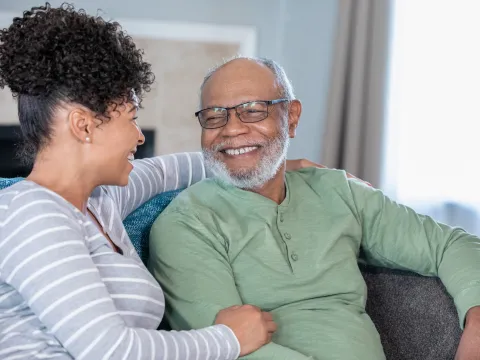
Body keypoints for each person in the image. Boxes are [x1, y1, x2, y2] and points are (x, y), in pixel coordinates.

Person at [0, 5, 327, 359]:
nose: (139, 136)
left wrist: (264, 161)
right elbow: (110, 351)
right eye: (132, 118)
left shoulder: (101, 202)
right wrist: (229, 338)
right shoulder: (33, 214)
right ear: (84, 126)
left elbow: (170, 170)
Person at [148, 57, 480, 360]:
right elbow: (226, 348)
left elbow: (451, 245)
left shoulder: (338, 191)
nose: (232, 129)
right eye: (214, 116)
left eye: (252, 110)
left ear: (291, 117)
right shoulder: (186, 223)